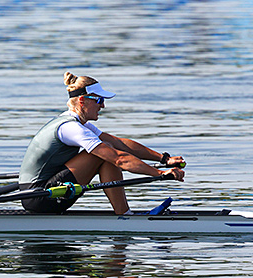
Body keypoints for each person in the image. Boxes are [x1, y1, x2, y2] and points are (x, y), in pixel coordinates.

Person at [18, 72, 185, 215]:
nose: (103, 105)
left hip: (46, 190)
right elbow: (119, 159)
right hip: (38, 196)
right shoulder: (70, 128)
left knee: (107, 148)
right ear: (82, 101)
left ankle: (125, 215)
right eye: (99, 100)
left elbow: (118, 143)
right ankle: (125, 216)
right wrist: (159, 173)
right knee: (104, 154)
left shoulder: (78, 123)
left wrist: (164, 159)